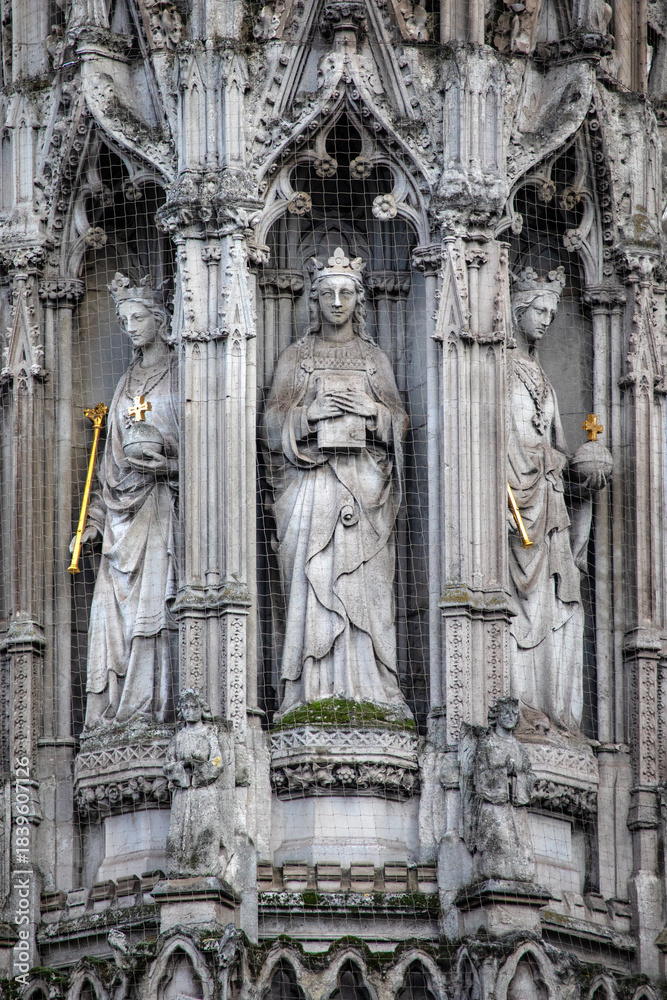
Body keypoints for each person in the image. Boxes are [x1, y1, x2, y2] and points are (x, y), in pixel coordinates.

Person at [262, 248, 410, 719]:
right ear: (315, 300)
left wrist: (372, 413)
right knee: (315, 581)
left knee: (366, 590)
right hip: (312, 489)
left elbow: (401, 423)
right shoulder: (297, 357)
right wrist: (309, 415)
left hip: (365, 492)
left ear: (359, 299)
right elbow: (269, 425)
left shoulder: (373, 358)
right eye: (328, 293)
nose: (338, 301)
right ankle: (310, 691)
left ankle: (372, 689)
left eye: (347, 292)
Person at [73, 273, 178, 729]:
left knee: (156, 606)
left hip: (163, 507)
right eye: (123, 320)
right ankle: (115, 713)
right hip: (122, 516)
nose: (130, 328)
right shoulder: (125, 383)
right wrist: (95, 520)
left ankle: (154, 708)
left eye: (137, 318)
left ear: (160, 320)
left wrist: (170, 467)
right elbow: (108, 466)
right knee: (115, 614)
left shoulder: (183, 372)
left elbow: (212, 447)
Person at [507, 267, 607, 733]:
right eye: (539, 311)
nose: (546, 320)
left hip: (549, 505)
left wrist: (583, 470)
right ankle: (516, 703)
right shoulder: (498, 368)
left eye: (551, 312)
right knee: (520, 602)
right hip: (518, 507)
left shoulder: (541, 375)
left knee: (562, 604)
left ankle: (554, 708)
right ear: (517, 311)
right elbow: (495, 444)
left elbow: (551, 445)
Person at [459, 698, 535, 882]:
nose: (511, 717)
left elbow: (530, 777)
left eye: (514, 713)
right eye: (506, 712)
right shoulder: (487, 744)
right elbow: (480, 776)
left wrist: (516, 775)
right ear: (497, 716)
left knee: (520, 849)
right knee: (498, 846)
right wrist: (503, 772)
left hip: (515, 808)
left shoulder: (520, 748)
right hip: (493, 807)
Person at [164, 689, 228, 877]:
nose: (189, 711)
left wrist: (201, 766)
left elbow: (218, 761)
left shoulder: (209, 734)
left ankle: (205, 866)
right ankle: (179, 868)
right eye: (185, 707)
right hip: (183, 791)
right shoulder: (178, 737)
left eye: (193, 707)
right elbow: (168, 765)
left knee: (205, 828)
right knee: (179, 832)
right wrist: (182, 766)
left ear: (201, 710)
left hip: (204, 790)